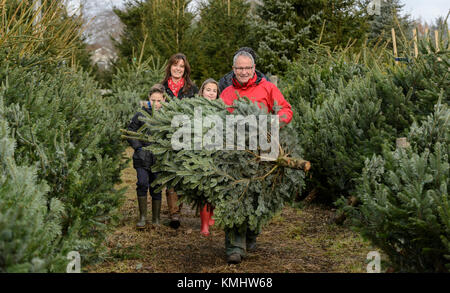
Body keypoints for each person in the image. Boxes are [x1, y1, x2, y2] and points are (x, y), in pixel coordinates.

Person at [219, 51, 293, 264]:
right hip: (234, 153)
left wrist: (273, 124)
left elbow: (286, 110)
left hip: (263, 151)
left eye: (247, 68)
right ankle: (235, 246)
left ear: (253, 69)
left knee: (257, 195)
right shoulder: (227, 93)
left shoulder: (268, 88)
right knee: (234, 196)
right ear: (233, 70)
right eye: (239, 68)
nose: (243, 72)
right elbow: (216, 117)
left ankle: (251, 231)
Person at [161, 53, 199, 229]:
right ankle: (174, 214)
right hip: (166, 137)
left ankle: (192, 207)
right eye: (175, 65)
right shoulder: (161, 88)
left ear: (186, 69)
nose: (178, 69)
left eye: (181, 66)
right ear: (170, 67)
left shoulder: (192, 89)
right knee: (171, 175)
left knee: (184, 174)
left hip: (186, 136)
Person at [127, 84, 166, 229]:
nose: (156, 103)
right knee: (142, 183)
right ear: (149, 99)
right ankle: (143, 217)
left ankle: (156, 218)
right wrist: (138, 147)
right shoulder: (140, 114)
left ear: (163, 100)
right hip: (142, 158)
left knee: (156, 186)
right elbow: (130, 131)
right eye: (153, 100)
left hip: (158, 159)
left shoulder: (165, 116)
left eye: (159, 100)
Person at [197, 78, 221, 236]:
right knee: (204, 189)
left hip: (217, 152)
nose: (211, 93)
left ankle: (212, 214)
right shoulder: (196, 107)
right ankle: (204, 224)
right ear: (202, 91)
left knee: (215, 187)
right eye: (208, 90)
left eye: (214, 91)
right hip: (200, 153)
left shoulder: (221, 108)